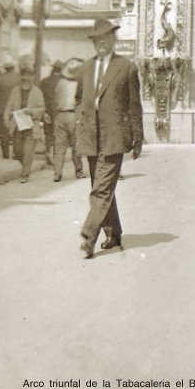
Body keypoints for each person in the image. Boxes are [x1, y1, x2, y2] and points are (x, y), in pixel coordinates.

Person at [76, 18, 144, 258]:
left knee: (101, 190)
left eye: (104, 38)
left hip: (115, 137)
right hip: (92, 137)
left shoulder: (126, 67)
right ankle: (113, 232)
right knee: (103, 188)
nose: (100, 43)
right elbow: (79, 100)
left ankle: (88, 237)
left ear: (113, 40)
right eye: (96, 39)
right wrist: (80, 126)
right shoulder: (85, 68)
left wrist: (138, 137)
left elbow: (135, 105)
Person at [3, 61, 45, 183]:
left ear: (32, 78)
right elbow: (8, 107)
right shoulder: (15, 91)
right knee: (18, 151)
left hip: (31, 126)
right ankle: (25, 167)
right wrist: (7, 119)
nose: (26, 78)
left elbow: (42, 108)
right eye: (24, 76)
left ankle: (25, 174)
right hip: (17, 126)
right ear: (21, 77)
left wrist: (31, 111)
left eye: (28, 76)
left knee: (28, 151)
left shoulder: (37, 92)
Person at [53, 58, 85, 181]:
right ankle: (78, 171)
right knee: (76, 145)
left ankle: (57, 172)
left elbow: (56, 99)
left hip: (60, 114)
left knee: (59, 146)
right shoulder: (79, 84)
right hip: (73, 115)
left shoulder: (60, 82)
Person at [0, 56, 21, 159]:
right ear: (13, 67)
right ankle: (15, 153)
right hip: (16, 107)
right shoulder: (18, 78)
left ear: (5, 68)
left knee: (4, 131)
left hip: (3, 107)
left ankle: (5, 154)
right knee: (16, 131)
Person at [39, 60, 64, 166]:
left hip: (47, 111)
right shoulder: (63, 81)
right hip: (59, 112)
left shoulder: (44, 81)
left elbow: (41, 97)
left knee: (48, 133)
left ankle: (48, 151)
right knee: (58, 135)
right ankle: (55, 155)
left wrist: (44, 111)